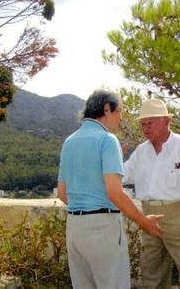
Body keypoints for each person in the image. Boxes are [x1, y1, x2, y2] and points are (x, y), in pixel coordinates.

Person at [57, 90, 164, 289]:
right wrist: (144, 222)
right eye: (119, 111)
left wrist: (86, 206)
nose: (121, 117)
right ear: (107, 109)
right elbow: (114, 193)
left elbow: (62, 194)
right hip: (103, 227)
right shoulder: (107, 140)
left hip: (74, 227)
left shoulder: (69, 142)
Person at [123, 98, 180, 289]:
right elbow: (122, 175)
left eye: (150, 122)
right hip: (149, 216)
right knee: (151, 268)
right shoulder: (141, 151)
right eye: (143, 124)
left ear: (166, 121)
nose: (146, 128)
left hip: (179, 215)